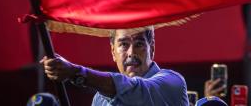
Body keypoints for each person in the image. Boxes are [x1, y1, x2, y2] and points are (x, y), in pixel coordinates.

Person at [40, 27, 189, 106]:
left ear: (152, 49)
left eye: (139, 44)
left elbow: (135, 91)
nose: (131, 53)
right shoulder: (100, 99)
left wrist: (76, 72)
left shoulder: (172, 83)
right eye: (124, 44)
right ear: (112, 51)